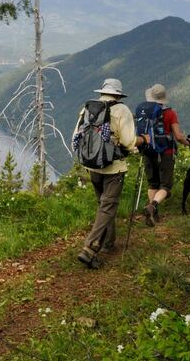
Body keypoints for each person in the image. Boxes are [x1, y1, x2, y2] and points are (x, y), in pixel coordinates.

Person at [73, 78, 147, 269]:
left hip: (93, 165)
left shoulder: (88, 109)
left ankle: (108, 242)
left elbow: (76, 136)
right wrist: (143, 140)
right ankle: (89, 248)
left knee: (104, 205)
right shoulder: (121, 110)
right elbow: (129, 141)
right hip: (113, 167)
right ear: (118, 94)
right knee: (107, 206)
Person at [138, 84, 190, 226]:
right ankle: (153, 205)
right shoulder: (170, 113)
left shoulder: (145, 112)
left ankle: (153, 214)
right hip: (166, 152)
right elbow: (178, 136)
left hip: (148, 151)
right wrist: (188, 143)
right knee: (166, 185)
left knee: (153, 183)